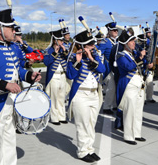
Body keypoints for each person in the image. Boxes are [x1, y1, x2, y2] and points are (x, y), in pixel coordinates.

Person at [0, 9, 41, 165]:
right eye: (11, 28)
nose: (14, 31)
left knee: (10, 139)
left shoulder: (13, 48)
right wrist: (6, 85)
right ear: (0, 30)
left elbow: (18, 70)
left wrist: (29, 76)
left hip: (10, 101)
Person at [66, 29, 105, 163]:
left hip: (94, 94)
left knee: (91, 124)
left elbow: (102, 70)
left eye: (93, 44)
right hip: (81, 94)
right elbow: (70, 75)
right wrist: (77, 61)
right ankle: (82, 152)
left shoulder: (95, 56)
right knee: (82, 124)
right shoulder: (72, 57)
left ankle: (90, 149)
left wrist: (91, 58)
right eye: (90, 45)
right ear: (82, 46)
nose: (93, 46)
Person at [116, 29, 147, 144]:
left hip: (138, 85)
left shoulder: (132, 54)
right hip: (129, 86)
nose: (134, 43)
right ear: (125, 44)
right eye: (131, 41)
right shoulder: (120, 55)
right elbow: (128, 67)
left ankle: (137, 133)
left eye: (134, 41)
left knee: (138, 111)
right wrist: (140, 58)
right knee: (130, 112)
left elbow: (139, 67)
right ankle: (129, 136)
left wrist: (146, 63)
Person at [43, 29, 69, 125]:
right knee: (53, 98)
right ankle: (54, 118)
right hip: (54, 76)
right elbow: (46, 62)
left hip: (63, 75)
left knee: (62, 97)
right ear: (55, 40)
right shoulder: (49, 50)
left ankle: (62, 116)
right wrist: (54, 53)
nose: (62, 42)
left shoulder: (64, 50)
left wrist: (64, 50)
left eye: (62, 40)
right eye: (60, 40)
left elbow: (69, 58)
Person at [99, 20, 119, 114]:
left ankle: (115, 105)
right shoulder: (105, 41)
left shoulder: (117, 41)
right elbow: (99, 54)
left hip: (117, 67)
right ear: (109, 31)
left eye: (116, 30)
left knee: (116, 87)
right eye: (114, 30)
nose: (116, 31)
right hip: (109, 67)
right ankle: (106, 107)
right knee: (111, 88)